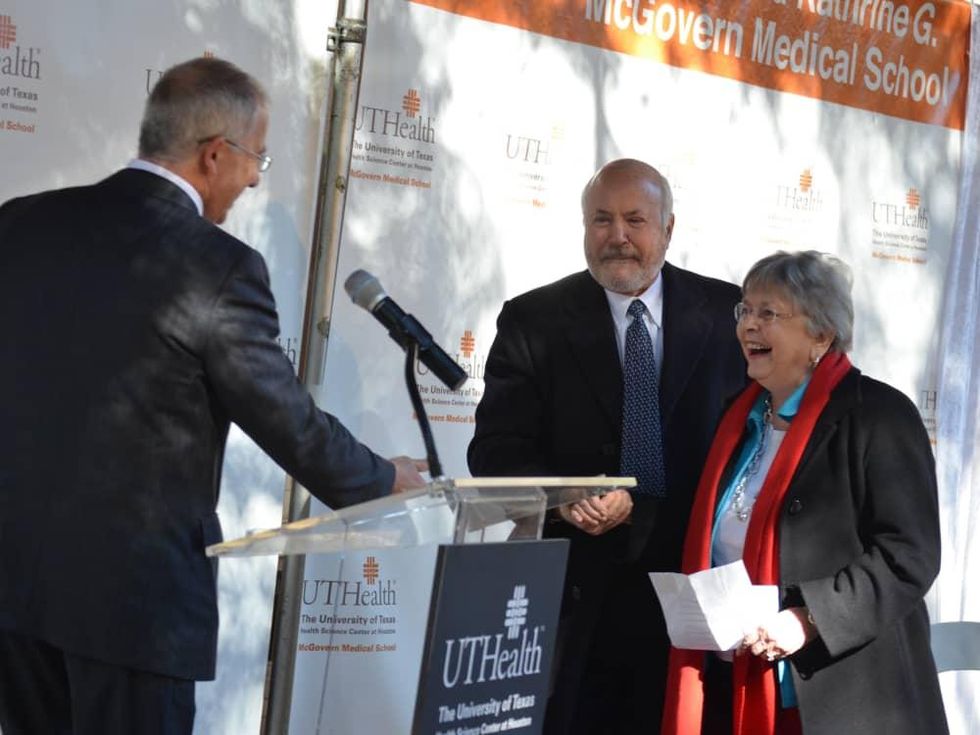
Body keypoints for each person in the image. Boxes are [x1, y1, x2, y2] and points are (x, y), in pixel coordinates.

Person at [0, 57, 426, 735]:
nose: (257, 176)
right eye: (257, 157)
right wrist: (381, 478)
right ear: (213, 154)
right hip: (133, 609)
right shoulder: (220, 265)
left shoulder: (20, 223)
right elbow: (287, 420)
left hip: (15, 588)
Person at [468, 158, 746, 733]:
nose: (617, 236)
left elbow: (753, 443)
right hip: (580, 599)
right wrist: (567, 492)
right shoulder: (533, 320)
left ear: (668, 229)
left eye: (634, 220)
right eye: (601, 220)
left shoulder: (729, 314)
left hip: (697, 586)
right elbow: (495, 451)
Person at [661, 251, 948, 735]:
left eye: (768, 313)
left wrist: (810, 617)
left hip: (844, 696)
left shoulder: (878, 415)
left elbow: (909, 556)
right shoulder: (739, 419)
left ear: (821, 334)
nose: (748, 326)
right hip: (738, 684)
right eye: (745, 310)